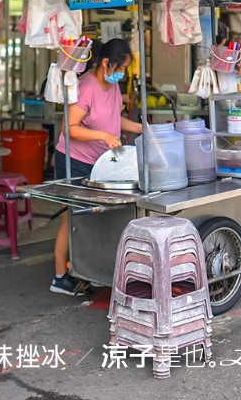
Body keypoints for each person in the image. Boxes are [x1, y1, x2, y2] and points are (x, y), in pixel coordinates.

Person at [51, 38, 143, 295]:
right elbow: (69, 128)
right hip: (75, 160)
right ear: (106, 63)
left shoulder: (111, 86)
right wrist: (103, 136)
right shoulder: (87, 86)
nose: (123, 73)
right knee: (71, 217)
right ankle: (59, 276)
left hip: (99, 162)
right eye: (122, 67)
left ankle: (88, 268)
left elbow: (112, 120)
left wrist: (139, 128)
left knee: (93, 218)